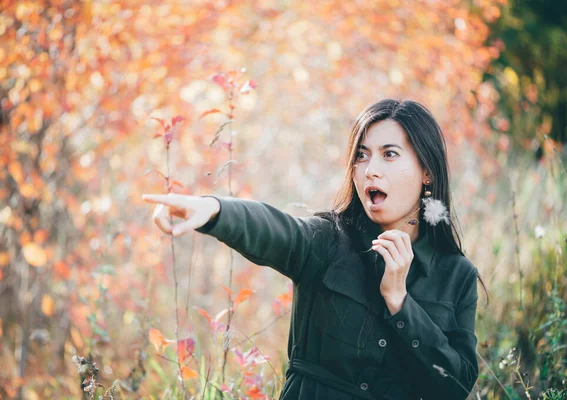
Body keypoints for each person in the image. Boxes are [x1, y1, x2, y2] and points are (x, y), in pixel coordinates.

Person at [142, 99, 488, 400]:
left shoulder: (456, 275)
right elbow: (277, 229)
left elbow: (454, 386)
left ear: (426, 171)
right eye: (362, 156)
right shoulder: (327, 240)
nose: (370, 170)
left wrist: (400, 303)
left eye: (389, 154)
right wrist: (214, 210)